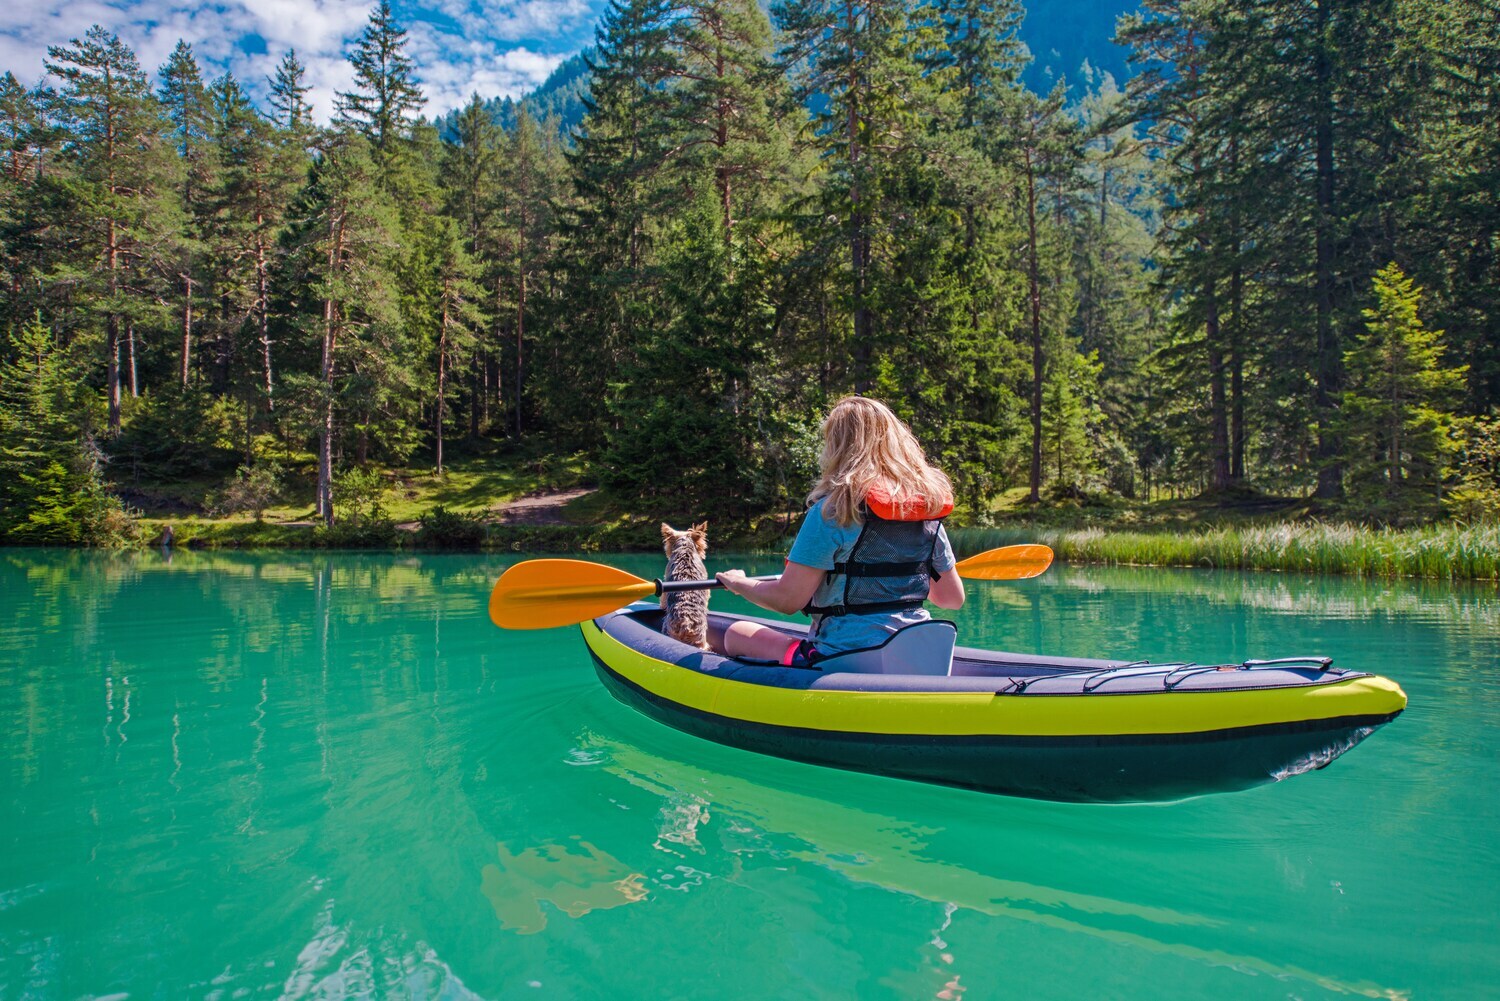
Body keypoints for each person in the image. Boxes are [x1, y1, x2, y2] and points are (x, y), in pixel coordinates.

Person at [714, 396, 965, 666]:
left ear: (837, 447)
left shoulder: (833, 511)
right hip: (916, 653)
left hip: (847, 657)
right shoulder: (923, 513)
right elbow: (951, 598)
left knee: (737, 633)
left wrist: (737, 583)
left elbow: (787, 600)